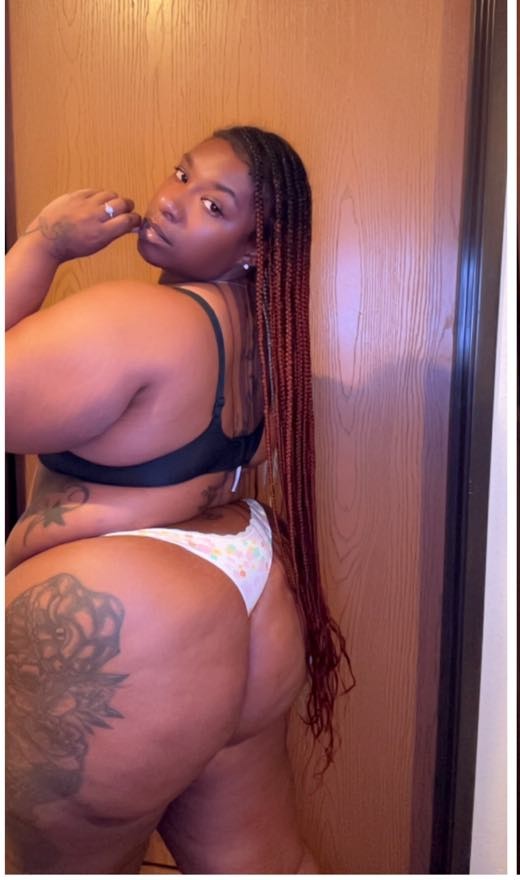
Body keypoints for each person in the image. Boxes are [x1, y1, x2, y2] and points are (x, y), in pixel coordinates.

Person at [5, 127, 348, 873]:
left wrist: (41, 245)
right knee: (261, 862)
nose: (171, 202)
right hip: (249, 585)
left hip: (136, 622)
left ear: (253, 248)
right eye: (181, 175)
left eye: (213, 205)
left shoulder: (134, 320)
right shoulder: (267, 338)